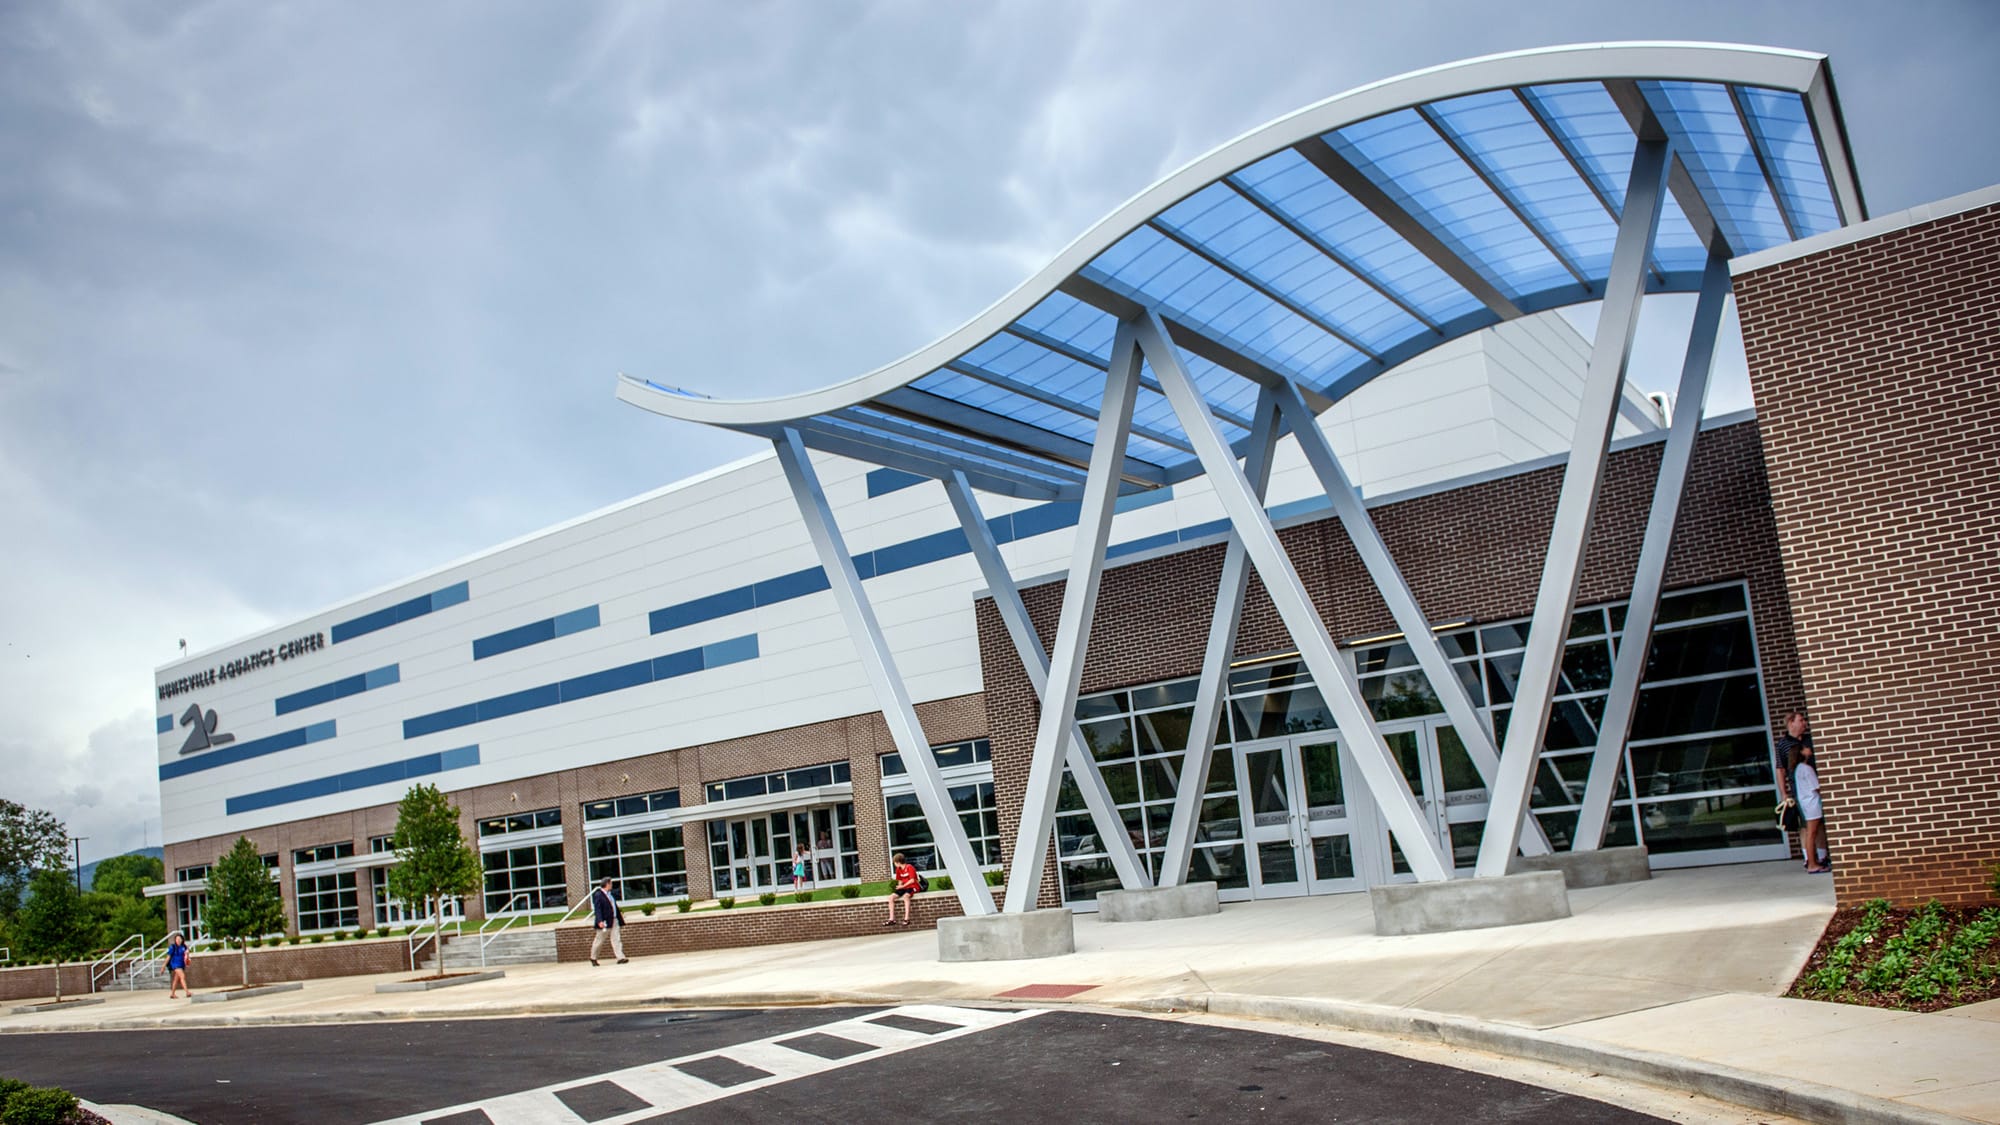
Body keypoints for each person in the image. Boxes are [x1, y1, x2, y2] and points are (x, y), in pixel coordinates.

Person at [1780, 711, 1830, 873]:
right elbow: (1780, 769)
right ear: (1791, 723)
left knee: (1818, 826)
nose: (1804, 723)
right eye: (1801, 720)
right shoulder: (1783, 744)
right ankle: (1810, 859)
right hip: (1803, 792)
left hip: (1810, 789)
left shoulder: (1810, 739)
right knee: (1807, 828)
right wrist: (1784, 793)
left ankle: (1821, 856)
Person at [589, 877, 628, 966]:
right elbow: (597, 909)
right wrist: (600, 920)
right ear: (607, 884)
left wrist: (620, 918)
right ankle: (593, 957)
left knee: (616, 939)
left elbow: (614, 907)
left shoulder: (610, 894)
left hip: (614, 920)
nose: (612, 885)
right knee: (599, 940)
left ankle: (620, 957)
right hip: (605, 922)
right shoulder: (598, 895)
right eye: (610, 883)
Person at [886, 852, 920, 927]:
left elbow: (912, 880)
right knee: (891, 897)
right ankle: (892, 919)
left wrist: (903, 886)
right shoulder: (898, 869)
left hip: (913, 886)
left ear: (898, 862)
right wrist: (899, 887)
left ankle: (906, 919)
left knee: (905, 896)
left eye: (894, 863)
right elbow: (900, 880)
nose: (894, 864)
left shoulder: (909, 867)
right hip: (904, 887)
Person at [163, 932, 192, 999]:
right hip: (175, 964)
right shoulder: (173, 947)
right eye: (177, 939)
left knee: (176, 979)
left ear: (182, 940)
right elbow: (168, 956)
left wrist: (187, 953)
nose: (178, 940)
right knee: (182, 976)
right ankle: (187, 992)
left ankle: (172, 994)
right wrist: (164, 965)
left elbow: (186, 956)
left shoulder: (184, 947)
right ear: (175, 940)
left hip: (181, 964)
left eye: (179, 939)